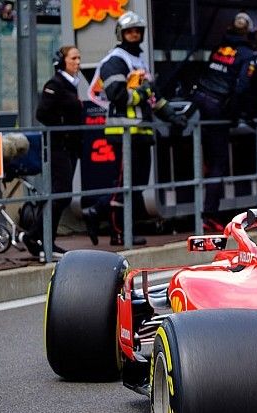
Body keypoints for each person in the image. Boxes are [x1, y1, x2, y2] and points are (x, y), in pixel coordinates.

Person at [82, 10, 187, 246]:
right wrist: (141, 92)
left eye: (137, 31)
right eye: (129, 31)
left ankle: (97, 212)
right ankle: (119, 232)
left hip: (142, 132)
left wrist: (172, 116)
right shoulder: (114, 61)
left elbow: (154, 97)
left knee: (136, 185)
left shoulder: (139, 61)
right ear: (120, 33)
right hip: (123, 133)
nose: (134, 35)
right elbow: (118, 96)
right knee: (125, 184)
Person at [191, 12, 257, 231]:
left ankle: (206, 212)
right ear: (250, 32)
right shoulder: (247, 54)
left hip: (199, 104)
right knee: (218, 163)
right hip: (217, 110)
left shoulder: (219, 48)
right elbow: (242, 87)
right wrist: (235, 114)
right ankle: (209, 215)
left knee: (205, 160)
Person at [22, 45, 84, 260]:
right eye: (73, 58)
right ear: (62, 61)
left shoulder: (71, 85)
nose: (78, 62)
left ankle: (43, 239)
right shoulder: (55, 84)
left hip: (70, 147)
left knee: (62, 195)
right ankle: (35, 237)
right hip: (59, 147)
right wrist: (63, 127)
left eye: (79, 58)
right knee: (60, 194)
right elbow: (42, 113)